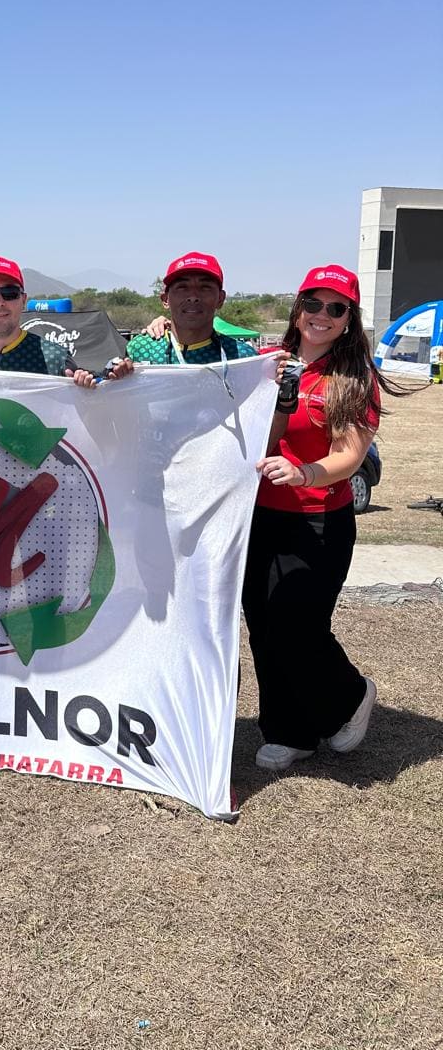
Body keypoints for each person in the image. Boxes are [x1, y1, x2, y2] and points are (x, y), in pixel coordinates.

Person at [242, 264, 404, 770]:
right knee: (263, 624)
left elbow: (349, 457)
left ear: (349, 319)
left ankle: (350, 696)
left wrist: (305, 473)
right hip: (258, 516)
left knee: (298, 626)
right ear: (298, 308)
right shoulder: (267, 364)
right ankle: (289, 732)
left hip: (318, 521)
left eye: (337, 308)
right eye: (314, 303)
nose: (322, 315)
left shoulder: (354, 378)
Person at [0, 256, 131, 383]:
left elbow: (91, 402)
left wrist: (117, 378)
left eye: (10, 293)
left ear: (23, 300)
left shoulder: (56, 357)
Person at [126, 252, 257, 365]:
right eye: (182, 287)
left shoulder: (244, 357)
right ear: (166, 300)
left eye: (205, 287)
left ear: (220, 299)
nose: (193, 297)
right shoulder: (140, 350)